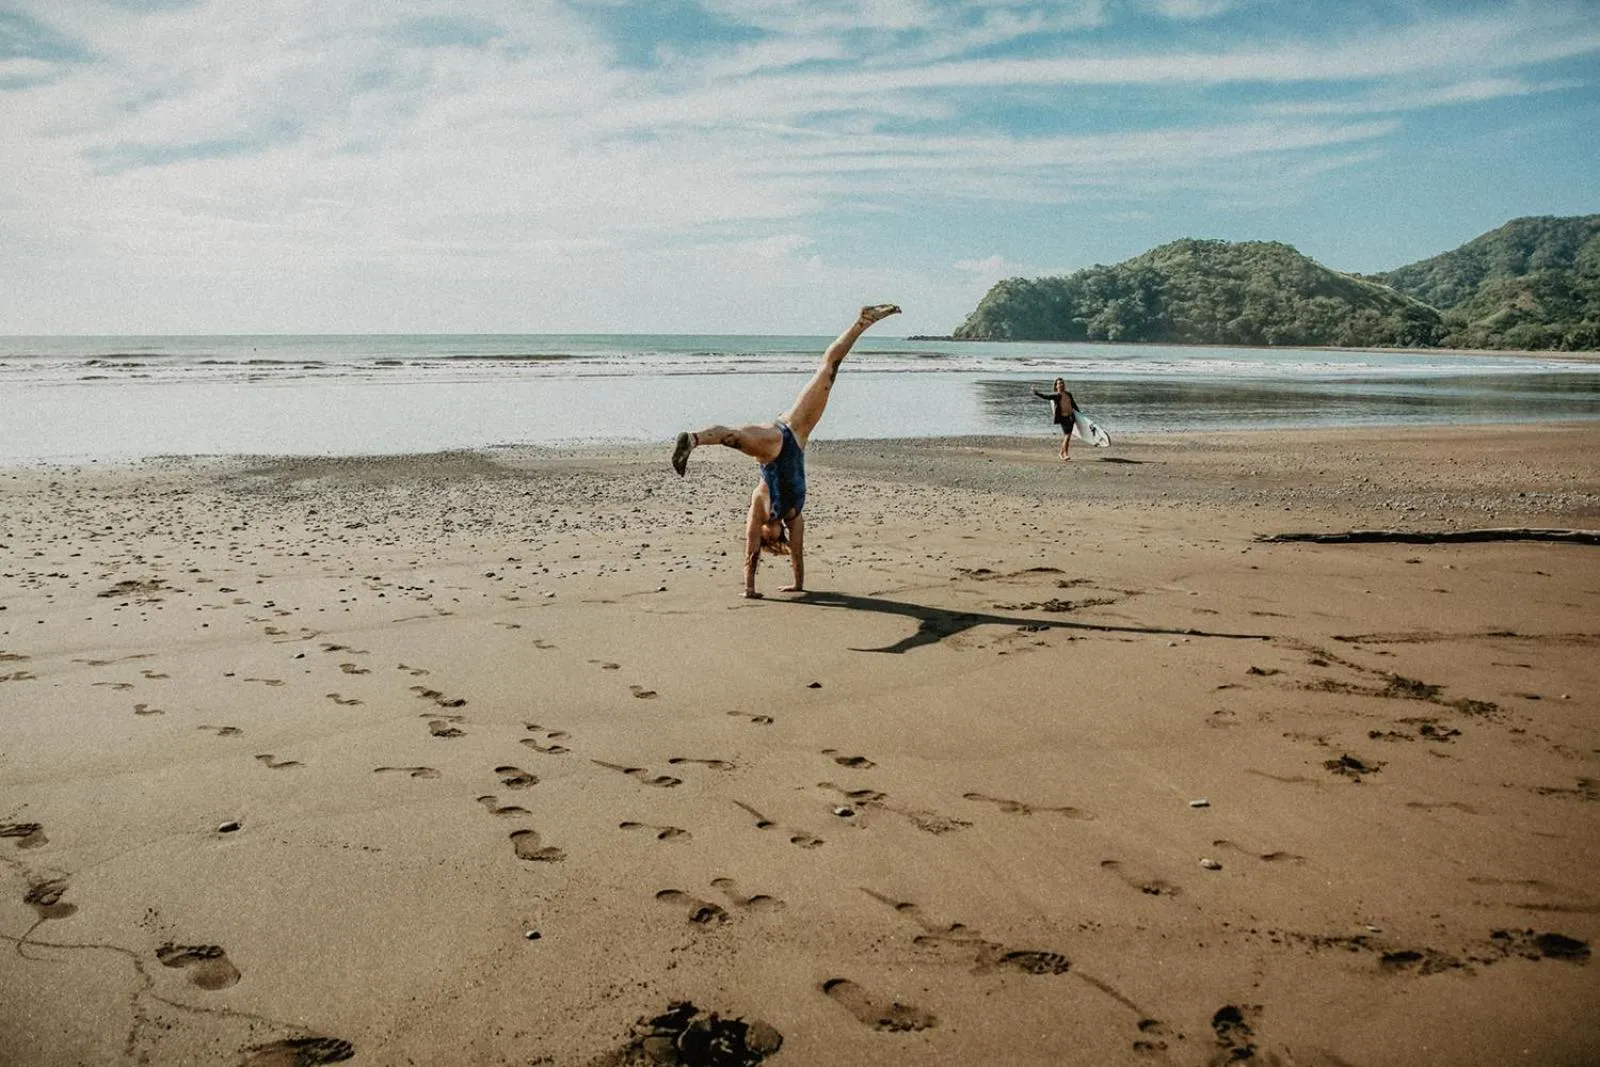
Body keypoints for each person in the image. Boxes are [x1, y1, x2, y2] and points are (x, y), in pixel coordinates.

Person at [672, 304, 901, 598]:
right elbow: (798, 553)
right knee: (829, 370)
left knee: (738, 437)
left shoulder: (760, 503)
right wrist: (798, 585)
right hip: (796, 433)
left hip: (773, 447)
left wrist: (749, 588)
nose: (767, 534)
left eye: (766, 537)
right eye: (772, 537)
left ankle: (694, 439)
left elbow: (750, 548)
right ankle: (864, 321)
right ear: (779, 536)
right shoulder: (794, 518)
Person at [1033, 377, 1079, 461]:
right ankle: (1065, 454)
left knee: (1067, 436)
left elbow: (1074, 405)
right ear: (1056, 386)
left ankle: (1061, 453)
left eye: (1062, 383)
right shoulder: (1057, 396)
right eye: (1059, 383)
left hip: (1070, 417)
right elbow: (1046, 396)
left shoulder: (1068, 394)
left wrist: (1080, 415)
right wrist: (1037, 393)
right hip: (1063, 418)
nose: (1061, 385)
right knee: (1067, 436)